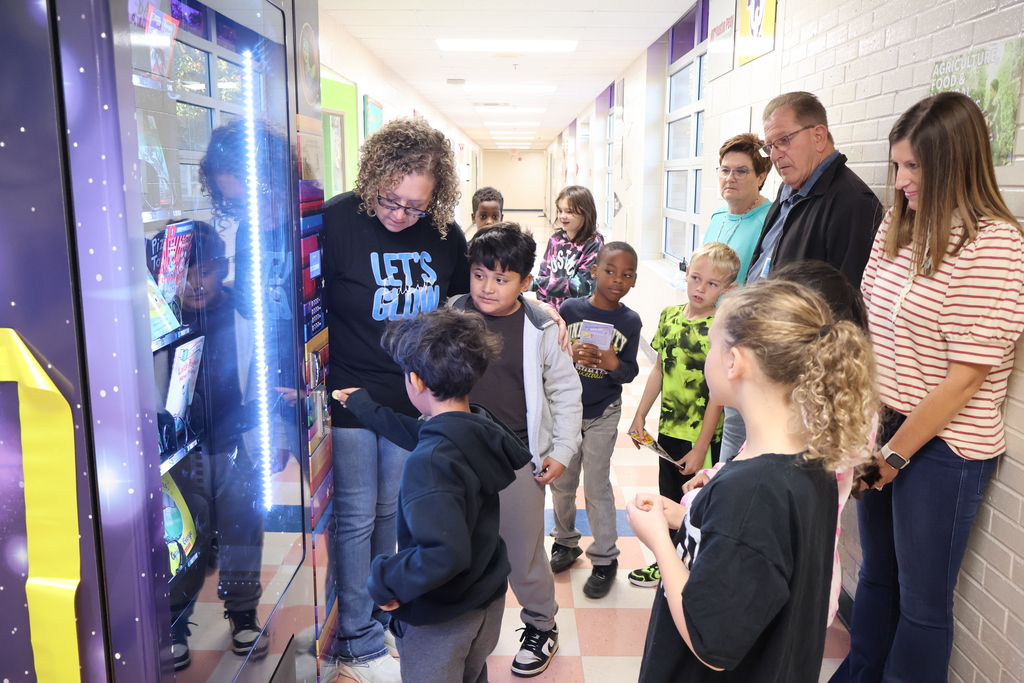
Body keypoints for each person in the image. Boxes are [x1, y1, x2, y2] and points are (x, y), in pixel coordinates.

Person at [831, 92, 1024, 683]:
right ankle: (861, 671)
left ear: (954, 164)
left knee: (923, 603)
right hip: (885, 423)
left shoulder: (995, 244)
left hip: (945, 446)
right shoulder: (899, 223)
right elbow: (870, 321)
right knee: (875, 577)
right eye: (897, 166)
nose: (902, 180)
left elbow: (968, 375)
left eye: (915, 167)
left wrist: (894, 454)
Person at [629, 280, 878, 682]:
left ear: (734, 362)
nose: (708, 356)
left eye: (712, 345)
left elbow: (710, 640)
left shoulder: (751, 493)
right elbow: (754, 554)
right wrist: (685, 519)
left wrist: (658, 539)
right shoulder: (810, 465)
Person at [320, 117, 468, 683]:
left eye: (416, 206)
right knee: (357, 513)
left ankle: (377, 612)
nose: (401, 215)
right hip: (352, 390)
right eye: (391, 199)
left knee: (392, 510)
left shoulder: (444, 235)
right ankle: (354, 637)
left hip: (414, 393)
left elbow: (470, 299)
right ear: (373, 177)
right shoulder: (338, 221)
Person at [331, 308, 533, 683]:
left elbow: (443, 554)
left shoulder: (431, 462)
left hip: (443, 619)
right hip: (486, 600)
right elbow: (423, 433)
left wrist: (385, 580)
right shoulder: (478, 427)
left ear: (416, 381)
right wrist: (364, 408)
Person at [449, 222, 583, 677]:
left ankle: (541, 625)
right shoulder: (451, 314)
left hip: (516, 458)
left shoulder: (542, 325)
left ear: (526, 282)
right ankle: (459, 628)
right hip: (456, 456)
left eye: (502, 278)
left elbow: (566, 393)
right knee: (456, 546)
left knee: (522, 552)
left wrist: (562, 449)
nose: (488, 287)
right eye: (480, 274)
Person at [625, 242, 739, 588]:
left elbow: (718, 397)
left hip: (703, 435)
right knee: (669, 496)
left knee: (696, 503)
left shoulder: (720, 329)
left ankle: (696, 568)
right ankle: (669, 563)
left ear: (729, 289)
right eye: (695, 278)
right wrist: (639, 415)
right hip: (669, 429)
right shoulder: (669, 316)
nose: (700, 289)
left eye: (712, 284)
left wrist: (700, 445)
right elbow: (660, 368)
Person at [549, 242, 642, 598]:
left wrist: (612, 364)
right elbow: (552, 355)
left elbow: (631, 370)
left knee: (598, 486)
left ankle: (605, 559)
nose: (618, 279)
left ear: (634, 280)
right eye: (610, 271)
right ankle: (565, 542)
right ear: (594, 272)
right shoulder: (570, 309)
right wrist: (571, 356)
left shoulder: (631, 321)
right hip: (567, 411)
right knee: (563, 482)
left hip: (604, 411)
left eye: (627, 274)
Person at [746, 91, 881, 287]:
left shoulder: (854, 203)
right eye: (770, 147)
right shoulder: (789, 189)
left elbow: (844, 302)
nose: (775, 156)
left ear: (818, 136)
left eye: (783, 140)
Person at [703, 133, 773, 283]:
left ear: (761, 177)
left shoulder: (772, 220)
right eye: (725, 170)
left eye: (741, 171)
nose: (729, 178)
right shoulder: (718, 215)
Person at [533, 185, 605, 310]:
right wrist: (543, 306)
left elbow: (581, 286)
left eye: (569, 211)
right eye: (560, 211)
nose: (562, 216)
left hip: (579, 313)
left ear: (585, 213)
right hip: (552, 311)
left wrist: (535, 284)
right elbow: (544, 273)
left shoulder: (594, 244)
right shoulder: (555, 240)